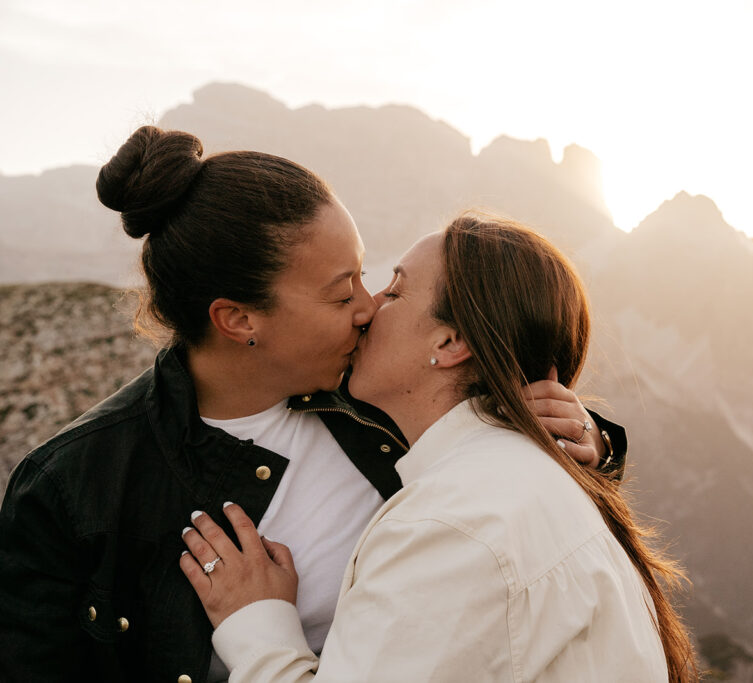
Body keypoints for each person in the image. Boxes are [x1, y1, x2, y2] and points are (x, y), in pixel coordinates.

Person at [0, 127, 627, 683]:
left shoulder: (376, 394)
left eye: (365, 275)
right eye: (341, 293)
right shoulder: (71, 487)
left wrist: (588, 442)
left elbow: (490, 471)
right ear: (239, 319)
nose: (368, 307)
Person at [180, 214, 700, 682]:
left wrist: (255, 624)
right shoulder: (518, 477)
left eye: (395, 292)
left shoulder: (451, 526)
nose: (368, 308)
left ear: (450, 343)